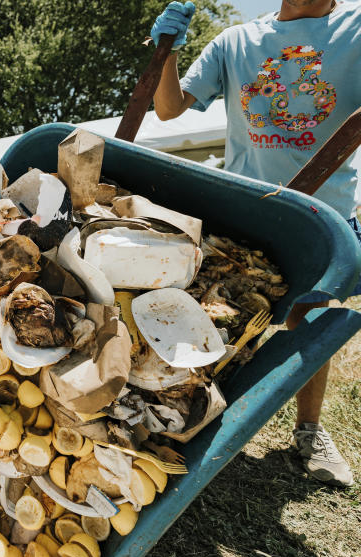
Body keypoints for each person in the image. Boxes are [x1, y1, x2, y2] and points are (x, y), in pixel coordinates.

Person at [151, 0, 361, 486]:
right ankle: (194, 415)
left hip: (320, 217)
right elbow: (166, 109)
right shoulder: (237, 42)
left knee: (308, 324)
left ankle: (309, 432)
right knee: (223, 320)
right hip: (247, 213)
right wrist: (167, 53)